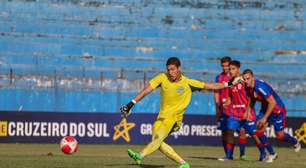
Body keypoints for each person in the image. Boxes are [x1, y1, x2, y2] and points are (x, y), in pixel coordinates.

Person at [120, 57, 235, 168]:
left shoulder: (188, 82)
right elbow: (146, 91)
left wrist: (228, 84)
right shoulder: (162, 77)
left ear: (179, 68)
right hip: (162, 117)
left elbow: (211, 86)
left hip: (174, 119)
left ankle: (140, 155)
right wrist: (131, 103)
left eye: (173, 69)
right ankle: (183, 163)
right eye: (168, 69)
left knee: (158, 139)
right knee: (157, 142)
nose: (170, 72)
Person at [242, 69, 301, 155]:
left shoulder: (260, 87)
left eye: (248, 79)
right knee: (258, 130)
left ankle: (295, 141)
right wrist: (248, 111)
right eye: (244, 79)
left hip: (277, 110)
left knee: (280, 136)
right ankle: (272, 154)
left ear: (252, 78)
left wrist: (265, 118)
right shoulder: (247, 86)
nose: (246, 81)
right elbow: (252, 98)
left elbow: (272, 102)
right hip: (266, 108)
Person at [220, 60, 267, 161]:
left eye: (233, 69)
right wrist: (226, 103)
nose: (230, 71)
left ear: (238, 69)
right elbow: (230, 97)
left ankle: (263, 154)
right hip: (235, 112)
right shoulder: (230, 82)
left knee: (254, 134)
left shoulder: (244, 80)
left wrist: (248, 110)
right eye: (229, 69)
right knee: (229, 131)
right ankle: (229, 156)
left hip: (247, 112)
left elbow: (251, 95)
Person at [214, 57, 248, 160]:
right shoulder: (221, 78)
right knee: (227, 132)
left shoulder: (241, 79)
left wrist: (248, 108)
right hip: (226, 109)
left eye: (227, 66)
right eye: (223, 66)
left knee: (245, 132)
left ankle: (244, 154)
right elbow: (217, 92)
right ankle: (229, 155)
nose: (226, 68)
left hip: (240, 109)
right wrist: (218, 108)